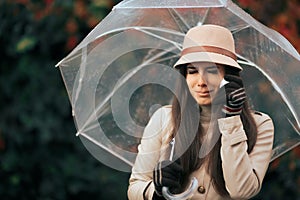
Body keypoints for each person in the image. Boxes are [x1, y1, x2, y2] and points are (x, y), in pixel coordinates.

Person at [127, 24, 274, 200]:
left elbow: (241, 191)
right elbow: (135, 186)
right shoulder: (164, 119)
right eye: (193, 71)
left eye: (212, 70)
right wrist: (156, 192)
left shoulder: (260, 125)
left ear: (229, 77)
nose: (201, 82)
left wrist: (232, 119)